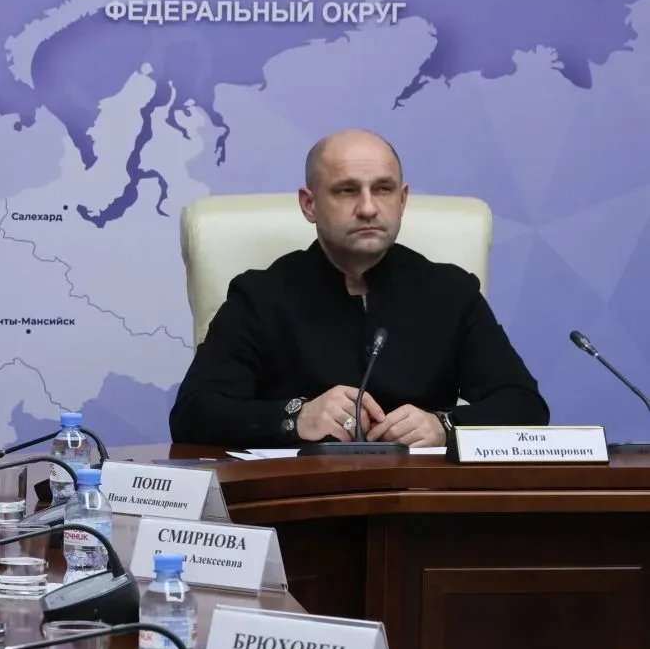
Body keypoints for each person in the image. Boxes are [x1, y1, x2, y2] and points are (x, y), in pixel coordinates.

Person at [169, 128, 549, 448]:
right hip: (304, 501)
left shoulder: (451, 292)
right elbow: (193, 414)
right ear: (309, 204)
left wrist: (444, 426)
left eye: (383, 189)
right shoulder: (260, 296)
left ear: (402, 200)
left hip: (421, 499)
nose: (368, 208)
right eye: (347, 191)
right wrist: (296, 418)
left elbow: (525, 405)